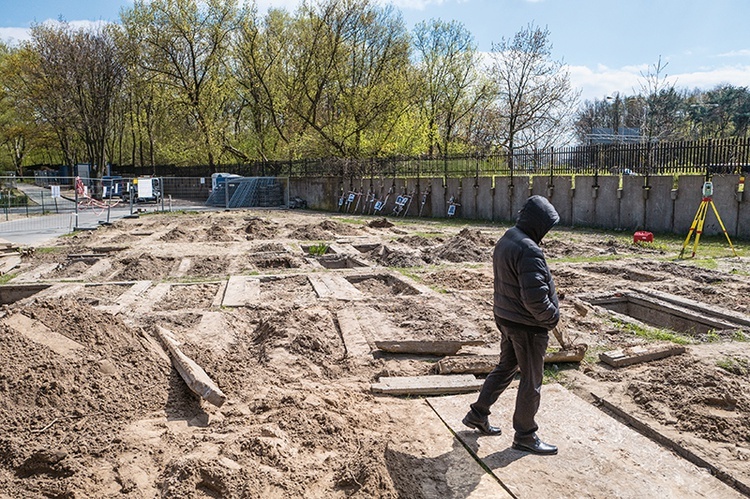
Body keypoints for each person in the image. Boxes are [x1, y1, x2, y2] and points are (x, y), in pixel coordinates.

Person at [462, 195, 560, 456]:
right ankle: (525, 435)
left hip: (506, 317)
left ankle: (477, 414)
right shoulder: (529, 250)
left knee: (506, 366)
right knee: (531, 380)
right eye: (547, 227)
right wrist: (552, 318)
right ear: (538, 223)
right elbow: (535, 299)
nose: (547, 233)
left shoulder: (509, 237)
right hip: (527, 326)